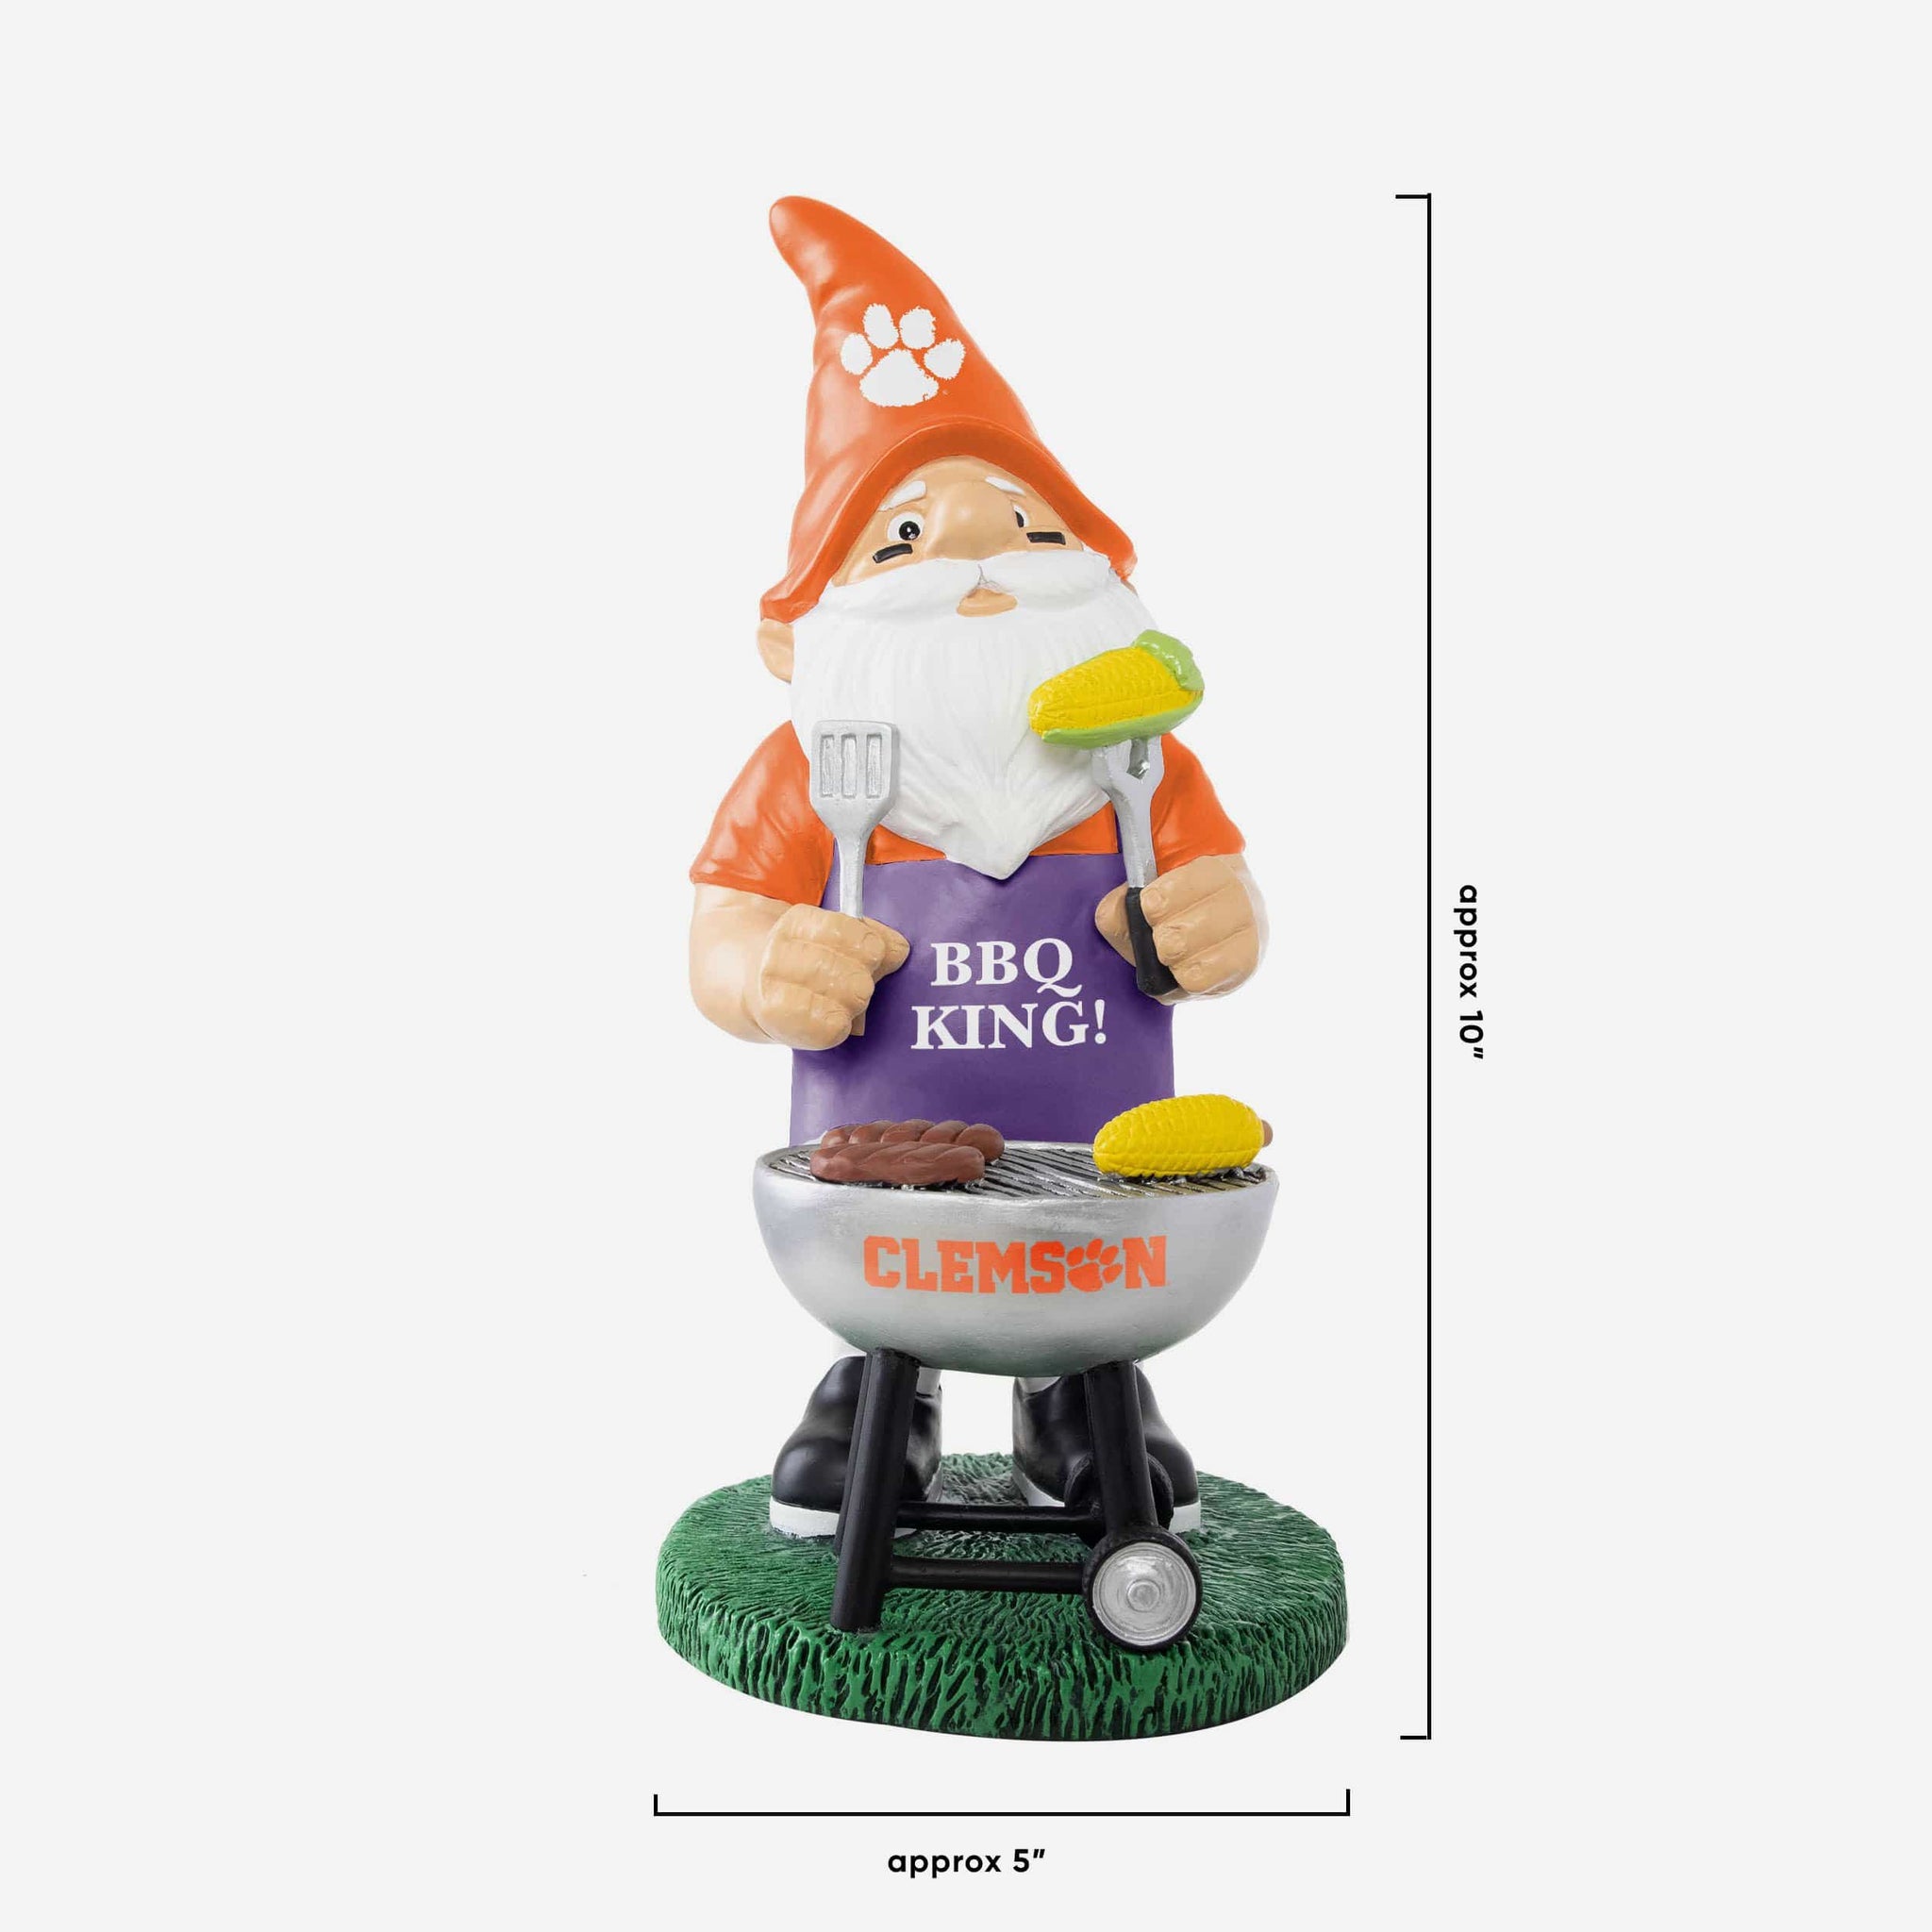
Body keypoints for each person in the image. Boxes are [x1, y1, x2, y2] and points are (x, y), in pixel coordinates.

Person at [689, 199, 1266, 1535]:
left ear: (1109, 578)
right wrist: (763, 971)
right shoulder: (811, 770)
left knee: (1088, 1295)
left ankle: (1081, 1401)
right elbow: (719, 931)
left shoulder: (1138, 764)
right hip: (872, 1181)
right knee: (884, 1291)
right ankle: (879, 1392)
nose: (974, 562)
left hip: (1100, 1171)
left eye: (1025, 525)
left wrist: (1220, 922)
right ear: (798, 640)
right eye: (901, 539)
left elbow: (1223, 894)